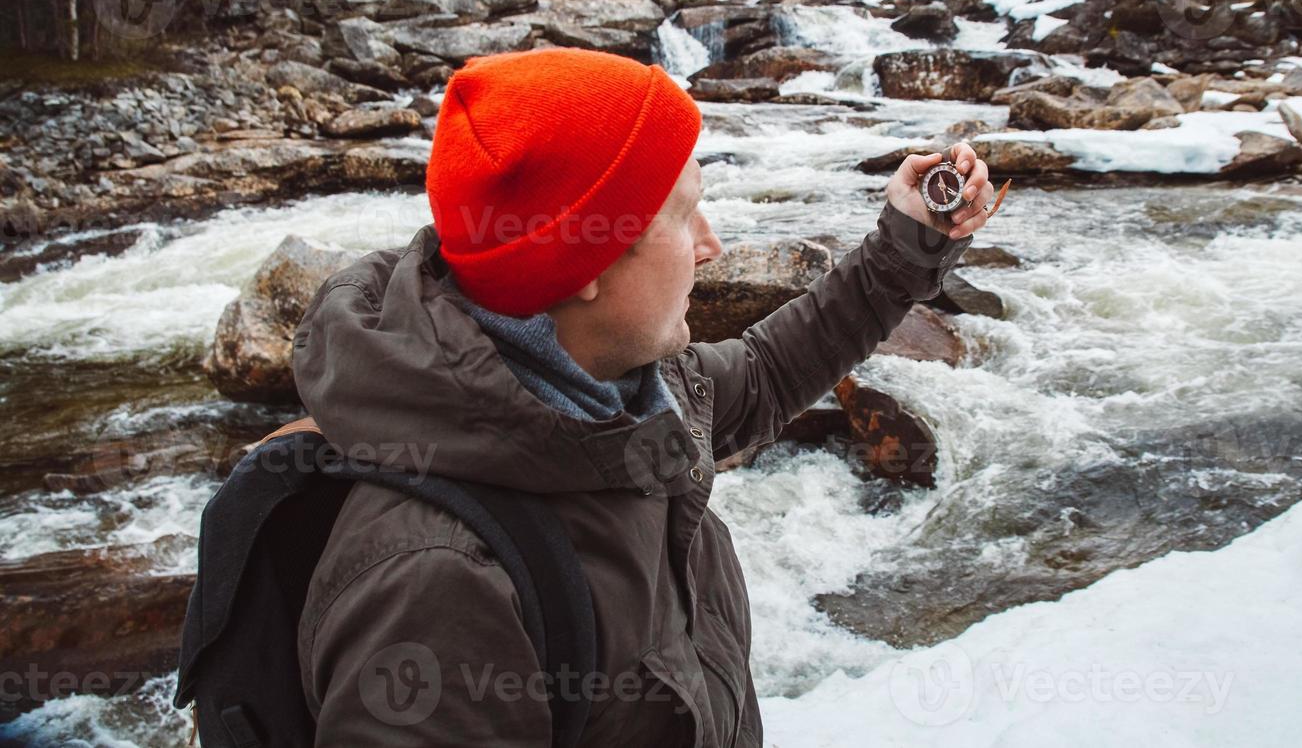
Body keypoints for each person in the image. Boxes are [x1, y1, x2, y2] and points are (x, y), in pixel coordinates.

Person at [291, 46, 995, 746]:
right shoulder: (435, 590)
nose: (711, 244)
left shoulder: (623, 389)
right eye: (685, 214)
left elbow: (769, 371)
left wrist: (908, 244)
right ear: (586, 260)